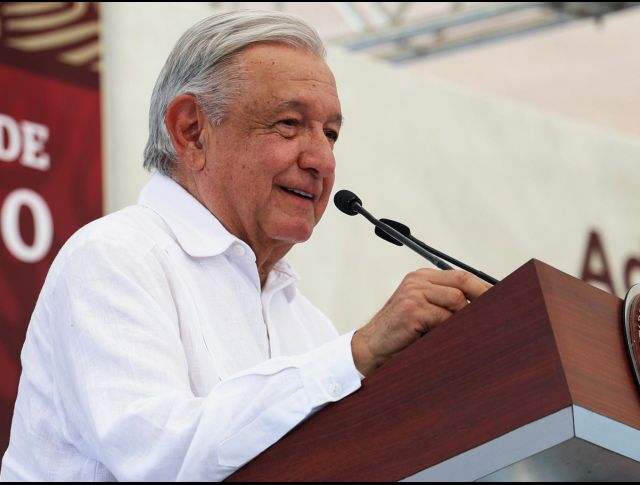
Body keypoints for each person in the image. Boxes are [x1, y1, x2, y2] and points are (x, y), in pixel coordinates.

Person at [0, 10, 490, 481]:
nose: (321, 158)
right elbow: (157, 460)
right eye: (289, 124)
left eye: (332, 133)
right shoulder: (113, 256)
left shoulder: (308, 325)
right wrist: (356, 355)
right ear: (191, 131)